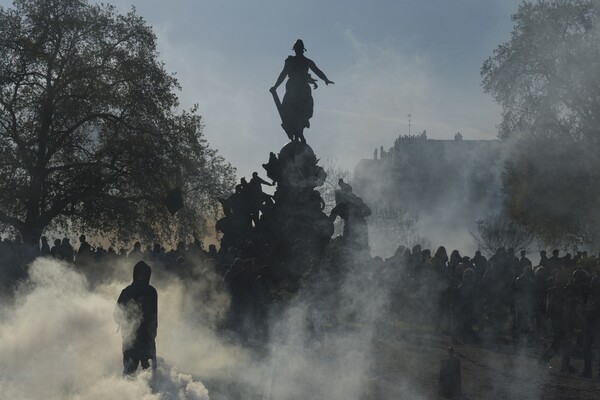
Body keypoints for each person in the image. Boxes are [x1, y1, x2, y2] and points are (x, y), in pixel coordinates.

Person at [270, 39, 334, 143]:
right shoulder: (293, 61)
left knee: (302, 112)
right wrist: (275, 86)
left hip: (301, 89)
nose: (298, 51)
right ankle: (296, 132)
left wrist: (325, 79)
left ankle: (299, 132)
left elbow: (317, 71)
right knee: (290, 110)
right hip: (294, 88)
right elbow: (283, 74)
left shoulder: (306, 61)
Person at [114, 261, 158, 375]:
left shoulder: (151, 292)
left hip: (147, 338)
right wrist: (125, 325)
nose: (142, 277)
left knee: (149, 372)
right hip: (131, 339)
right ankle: (127, 392)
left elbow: (154, 314)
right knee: (130, 371)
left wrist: (152, 333)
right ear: (135, 274)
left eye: (144, 274)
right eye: (140, 274)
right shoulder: (127, 292)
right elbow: (117, 313)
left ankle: (151, 392)